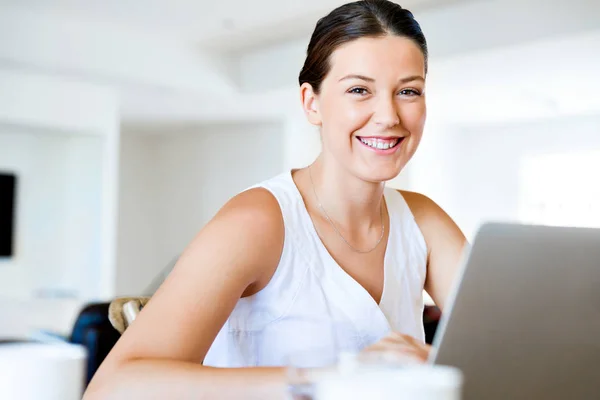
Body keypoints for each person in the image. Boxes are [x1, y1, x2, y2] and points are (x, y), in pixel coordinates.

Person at [84, 1, 467, 398]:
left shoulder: (423, 220)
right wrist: (330, 379)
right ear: (312, 103)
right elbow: (111, 389)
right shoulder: (258, 221)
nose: (388, 115)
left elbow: (512, 346)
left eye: (408, 91)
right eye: (359, 90)